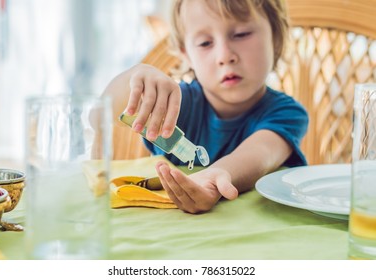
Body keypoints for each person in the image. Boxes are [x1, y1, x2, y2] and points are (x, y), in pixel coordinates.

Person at [102, 0, 308, 214]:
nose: (225, 56)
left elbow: (261, 153)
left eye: (241, 34)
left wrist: (217, 175)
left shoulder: (287, 113)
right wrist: (134, 78)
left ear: (275, 38)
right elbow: (100, 114)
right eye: (204, 43)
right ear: (186, 55)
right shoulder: (175, 106)